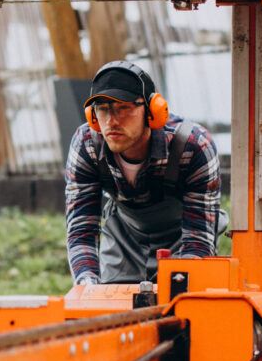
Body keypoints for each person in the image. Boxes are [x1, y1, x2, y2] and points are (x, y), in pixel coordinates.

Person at [65, 61, 225, 285]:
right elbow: (82, 230)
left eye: (124, 108)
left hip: (182, 236)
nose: (112, 121)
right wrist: (86, 286)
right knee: (113, 313)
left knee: (181, 305)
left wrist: (182, 286)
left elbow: (198, 240)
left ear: (153, 111)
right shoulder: (86, 144)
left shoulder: (193, 146)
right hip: (124, 237)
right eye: (103, 109)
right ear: (92, 115)